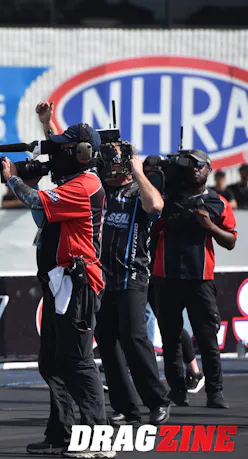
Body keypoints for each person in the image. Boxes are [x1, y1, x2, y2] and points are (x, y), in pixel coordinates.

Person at [2, 116, 110, 458]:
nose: (56, 155)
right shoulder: (73, 184)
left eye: (64, 148)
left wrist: (14, 180)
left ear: (81, 153)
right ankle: (61, 432)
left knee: (78, 360)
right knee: (51, 361)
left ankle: (98, 438)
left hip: (78, 284)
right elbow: (44, 216)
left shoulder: (85, 185)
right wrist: (32, 182)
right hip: (60, 282)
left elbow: (36, 203)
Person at [92, 140, 171, 427]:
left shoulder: (139, 192)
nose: (108, 165)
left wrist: (138, 171)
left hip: (132, 278)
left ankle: (158, 401)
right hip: (101, 280)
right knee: (108, 344)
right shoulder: (98, 191)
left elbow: (157, 206)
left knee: (134, 339)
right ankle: (125, 408)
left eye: (114, 160)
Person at [153, 149, 237, 409]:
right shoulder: (165, 199)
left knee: (208, 338)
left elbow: (231, 241)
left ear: (209, 169)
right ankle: (177, 391)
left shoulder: (217, 202)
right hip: (166, 277)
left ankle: (215, 392)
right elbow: (149, 229)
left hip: (200, 280)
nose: (195, 169)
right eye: (190, 164)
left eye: (200, 165)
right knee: (170, 339)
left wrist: (210, 226)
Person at [144, 156, 205, 396]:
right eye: (148, 173)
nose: (153, 178)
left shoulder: (172, 199)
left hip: (160, 267)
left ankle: (194, 370)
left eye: (156, 173)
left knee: (169, 322)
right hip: (139, 264)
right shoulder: (140, 193)